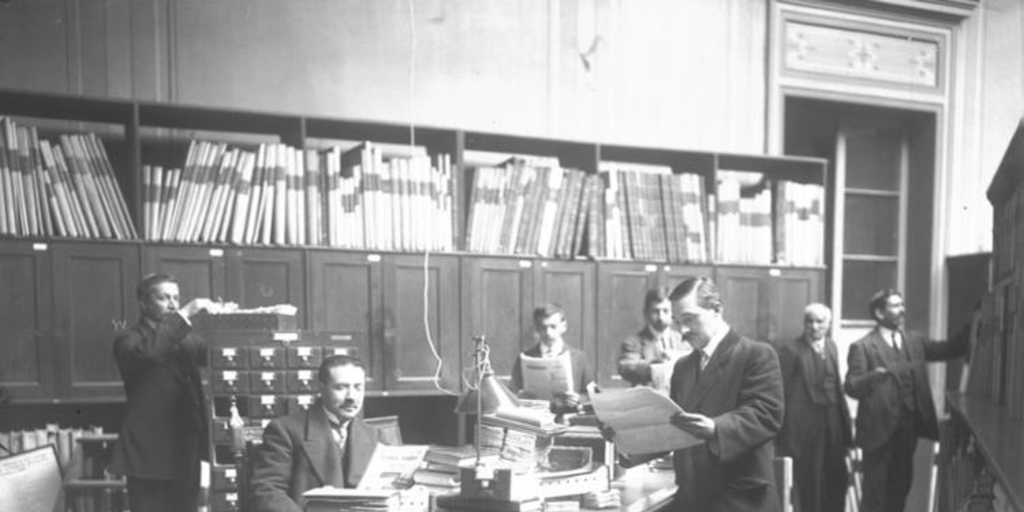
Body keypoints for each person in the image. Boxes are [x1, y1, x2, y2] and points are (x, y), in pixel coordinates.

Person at [665, 276, 785, 511]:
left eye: (689, 319)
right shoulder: (682, 368)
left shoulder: (756, 354)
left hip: (742, 500)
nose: (683, 331)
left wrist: (715, 428)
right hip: (693, 498)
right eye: (677, 322)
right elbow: (672, 428)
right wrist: (626, 437)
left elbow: (766, 415)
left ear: (717, 309)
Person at [845, 289, 969, 512]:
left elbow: (947, 349)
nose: (901, 309)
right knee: (875, 495)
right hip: (877, 432)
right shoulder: (863, 346)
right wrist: (874, 376)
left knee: (900, 487)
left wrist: (975, 323)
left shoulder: (914, 340)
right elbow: (851, 386)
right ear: (879, 313)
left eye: (901, 304)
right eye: (895, 305)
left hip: (908, 429)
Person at [110, 274, 219, 512]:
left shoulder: (185, 339)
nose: (173, 304)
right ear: (143, 303)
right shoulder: (128, 340)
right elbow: (151, 353)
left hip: (185, 450)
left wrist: (222, 322)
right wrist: (185, 314)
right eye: (164, 298)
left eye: (176, 298)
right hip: (149, 456)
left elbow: (216, 354)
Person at [251, 355, 394, 512]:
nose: (352, 397)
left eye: (358, 387)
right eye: (341, 387)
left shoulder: (375, 436)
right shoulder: (285, 431)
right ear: (321, 388)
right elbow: (268, 492)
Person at [776, 303, 852, 512]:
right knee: (810, 483)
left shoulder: (831, 346)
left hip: (833, 425)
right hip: (806, 431)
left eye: (819, 322)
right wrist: (786, 436)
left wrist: (846, 431)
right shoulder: (791, 351)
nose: (814, 326)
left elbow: (837, 388)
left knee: (837, 478)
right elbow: (781, 393)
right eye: (809, 321)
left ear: (828, 324)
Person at [511, 303, 597, 413]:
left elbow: (592, 394)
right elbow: (511, 394)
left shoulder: (578, 357)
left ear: (563, 326)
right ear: (536, 329)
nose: (548, 333)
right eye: (543, 327)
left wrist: (578, 399)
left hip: (569, 420)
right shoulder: (525, 358)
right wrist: (520, 396)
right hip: (535, 420)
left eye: (553, 326)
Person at [617, 286, 691, 390]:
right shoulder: (633, 342)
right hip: (648, 400)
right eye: (656, 311)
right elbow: (626, 368)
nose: (661, 317)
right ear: (646, 313)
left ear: (672, 313)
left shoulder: (685, 340)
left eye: (665, 311)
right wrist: (657, 363)